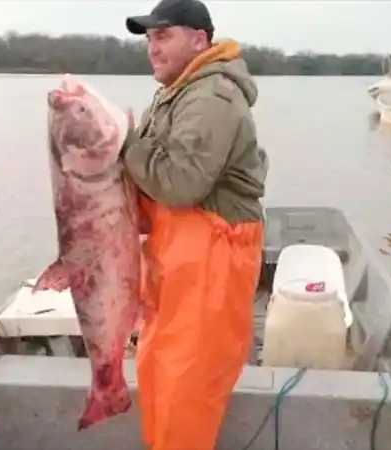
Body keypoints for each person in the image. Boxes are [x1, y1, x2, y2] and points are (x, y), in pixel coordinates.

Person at [121, 0, 268, 449]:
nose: (152, 48)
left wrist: (120, 141)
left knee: (186, 386)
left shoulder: (211, 96)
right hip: (175, 256)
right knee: (160, 370)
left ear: (199, 40)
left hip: (212, 259)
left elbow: (180, 183)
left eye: (163, 36)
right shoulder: (176, 91)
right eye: (149, 38)